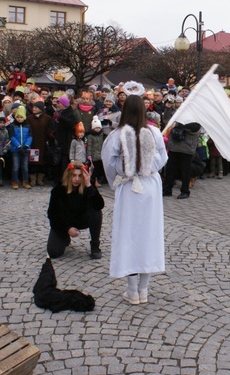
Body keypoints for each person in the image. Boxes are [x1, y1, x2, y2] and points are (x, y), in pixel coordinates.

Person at [101, 91, 168, 305]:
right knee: (148, 235)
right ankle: (142, 289)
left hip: (131, 188)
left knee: (130, 236)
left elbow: (109, 164)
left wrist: (119, 176)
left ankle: (134, 290)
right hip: (148, 188)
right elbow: (162, 158)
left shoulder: (116, 136)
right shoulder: (154, 133)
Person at [46, 164, 105, 259]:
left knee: (96, 212)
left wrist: (89, 185)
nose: (77, 179)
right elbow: (53, 214)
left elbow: (99, 205)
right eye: (74, 175)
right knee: (54, 252)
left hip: (81, 218)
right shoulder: (59, 189)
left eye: (79, 176)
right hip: (65, 221)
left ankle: (95, 246)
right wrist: (67, 229)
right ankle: (65, 237)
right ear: (69, 176)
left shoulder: (87, 186)